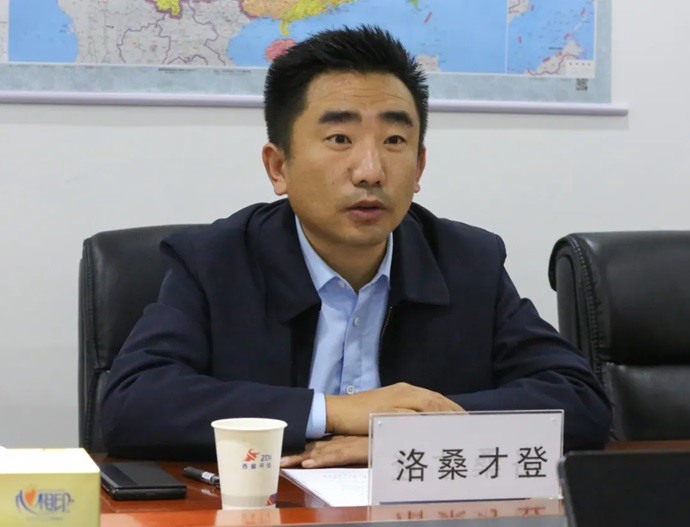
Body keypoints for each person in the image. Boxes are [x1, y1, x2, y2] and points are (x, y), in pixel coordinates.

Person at [100, 25, 611, 465]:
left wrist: (408, 433)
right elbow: (131, 405)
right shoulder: (215, 261)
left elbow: (580, 401)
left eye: (394, 142)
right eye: (340, 139)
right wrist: (335, 412)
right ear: (278, 167)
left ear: (419, 167)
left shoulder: (466, 262)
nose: (370, 171)